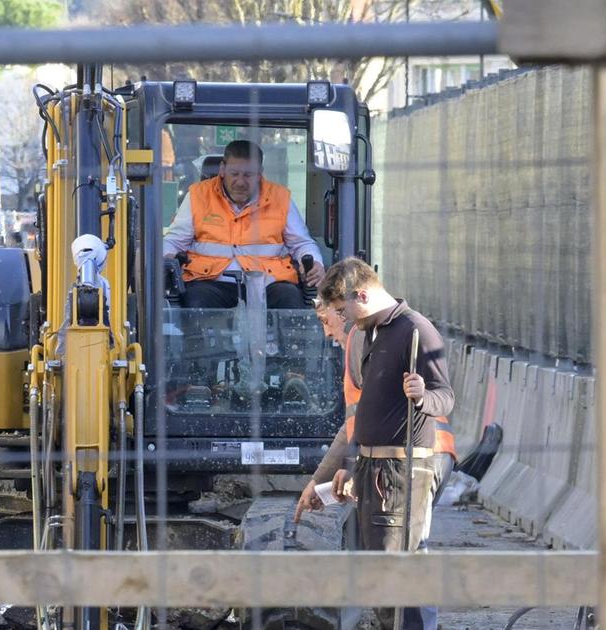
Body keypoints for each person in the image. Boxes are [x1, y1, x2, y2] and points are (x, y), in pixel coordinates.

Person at [315, 257, 454, 630]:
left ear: (362, 293)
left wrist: (424, 396)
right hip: (375, 468)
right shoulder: (373, 334)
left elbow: (446, 397)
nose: (346, 320)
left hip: (404, 468)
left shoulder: (416, 330)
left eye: (345, 310)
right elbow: (362, 414)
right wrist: (349, 463)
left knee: (401, 561)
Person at [295, 304, 457, 524]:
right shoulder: (366, 339)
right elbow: (356, 425)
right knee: (401, 538)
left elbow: (373, 418)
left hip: (415, 454)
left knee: (393, 539)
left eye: (326, 321)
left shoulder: (362, 339)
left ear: (343, 312)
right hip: (422, 453)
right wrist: (320, 482)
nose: (327, 332)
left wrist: (347, 471)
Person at [163, 139, 324, 309]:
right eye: (234, 174)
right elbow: (174, 241)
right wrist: (167, 258)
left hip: (268, 282)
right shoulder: (198, 196)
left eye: (248, 175)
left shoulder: (280, 198)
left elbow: (301, 243)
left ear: (260, 173)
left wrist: (316, 264)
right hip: (210, 282)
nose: (240, 182)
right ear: (222, 169)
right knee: (196, 301)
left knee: (290, 297)